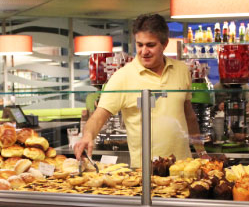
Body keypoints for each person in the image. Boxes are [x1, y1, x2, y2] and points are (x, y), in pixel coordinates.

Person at [73, 13, 206, 168]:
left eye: (150, 45)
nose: (144, 51)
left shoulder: (181, 70)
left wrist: (201, 151)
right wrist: (87, 136)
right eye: (139, 45)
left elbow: (189, 115)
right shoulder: (122, 77)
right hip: (146, 170)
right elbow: (98, 117)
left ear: (164, 44)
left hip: (183, 166)